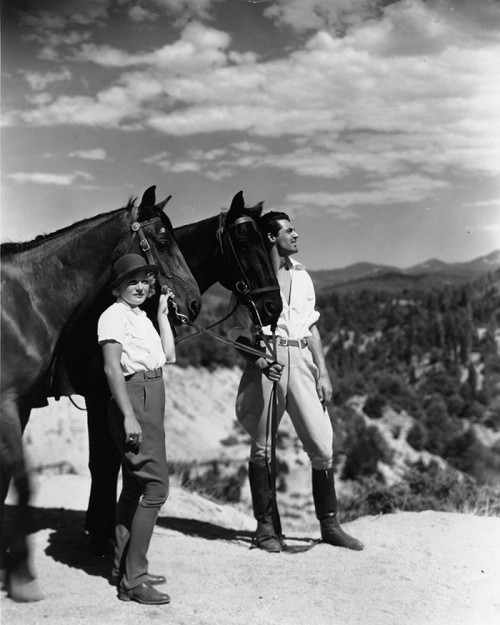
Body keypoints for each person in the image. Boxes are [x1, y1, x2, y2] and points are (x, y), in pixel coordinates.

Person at [227, 212, 364, 553]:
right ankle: (266, 529)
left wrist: (323, 373)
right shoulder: (248, 278)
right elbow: (234, 333)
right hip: (267, 361)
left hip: (301, 360)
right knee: (262, 447)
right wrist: (259, 360)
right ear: (271, 237)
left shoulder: (302, 276)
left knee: (322, 445)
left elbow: (312, 327)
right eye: (289, 230)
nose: (297, 234)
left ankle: (330, 526)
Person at [97, 253, 174, 605]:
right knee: (156, 486)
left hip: (151, 393)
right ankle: (134, 580)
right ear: (118, 287)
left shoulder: (139, 316)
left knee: (133, 487)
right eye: (133, 281)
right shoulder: (113, 316)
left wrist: (161, 315)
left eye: (145, 280)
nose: (141, 286)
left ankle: (122, 569)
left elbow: (167, 356)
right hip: (134, 397)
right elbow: (112, 369)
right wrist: (128, 415)